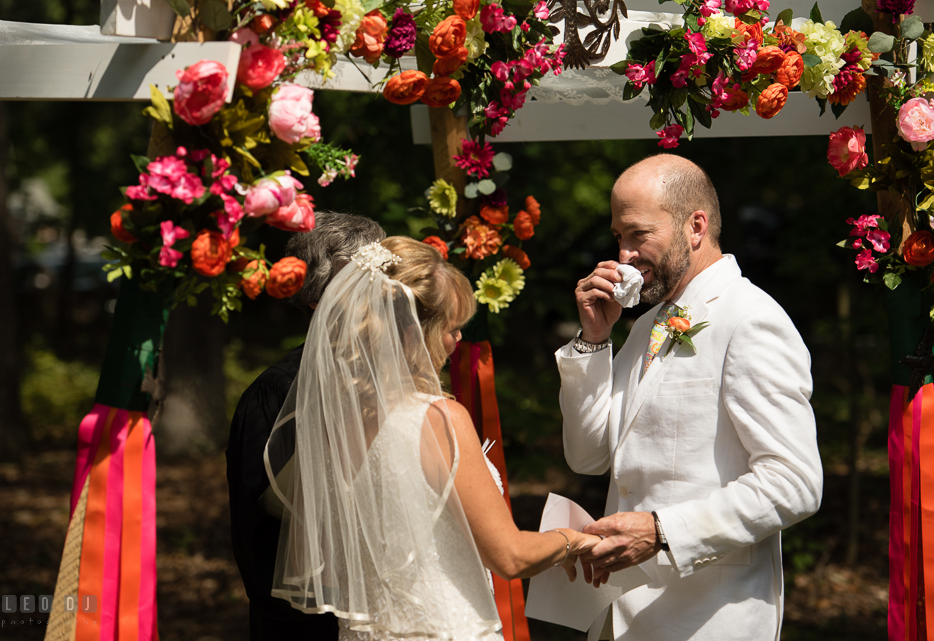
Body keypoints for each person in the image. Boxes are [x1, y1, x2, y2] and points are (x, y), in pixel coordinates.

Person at [265, 236, 599, 640]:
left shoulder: (329, 424)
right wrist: (573, 539)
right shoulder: (439, 418)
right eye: (450, 329)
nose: (456, 341)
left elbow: (315, 555)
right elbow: (509, 556)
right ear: (410, 334)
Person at [556, 154, 823, 641]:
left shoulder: (750, 318)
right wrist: (595, 341)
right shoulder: (643, 327)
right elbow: (587, 456)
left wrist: (659, 532)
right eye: (619, 237)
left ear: (695, 225)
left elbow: (794, 483)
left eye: (638, 234)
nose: (624, 255)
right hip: (620, 616)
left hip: (707, 618)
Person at [226, 212, 386, 641]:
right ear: (320, 294)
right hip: (309, 622)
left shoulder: (395, 376)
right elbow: (259, 529)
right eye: (365, 281)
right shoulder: (276, 393)